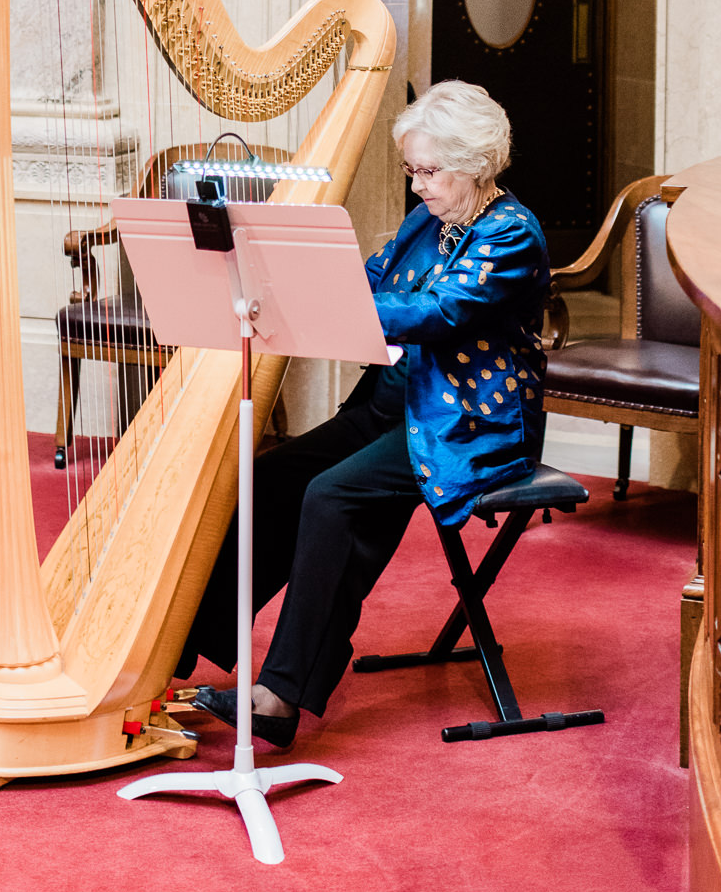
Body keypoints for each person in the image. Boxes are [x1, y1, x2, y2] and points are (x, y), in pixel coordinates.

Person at [180, 77, 550, 748]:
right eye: (412, 170)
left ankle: (281, 696)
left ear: (476, 162)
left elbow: (437, 313)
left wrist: (332, 304)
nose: (417, 186)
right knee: (273, 476)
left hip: (464, 426)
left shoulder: (513, 235)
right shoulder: (426, 224)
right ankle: (189, 648)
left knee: (333, 496)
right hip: (393, 406)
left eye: (430, 171)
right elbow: (373, 279)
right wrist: (291, 282)